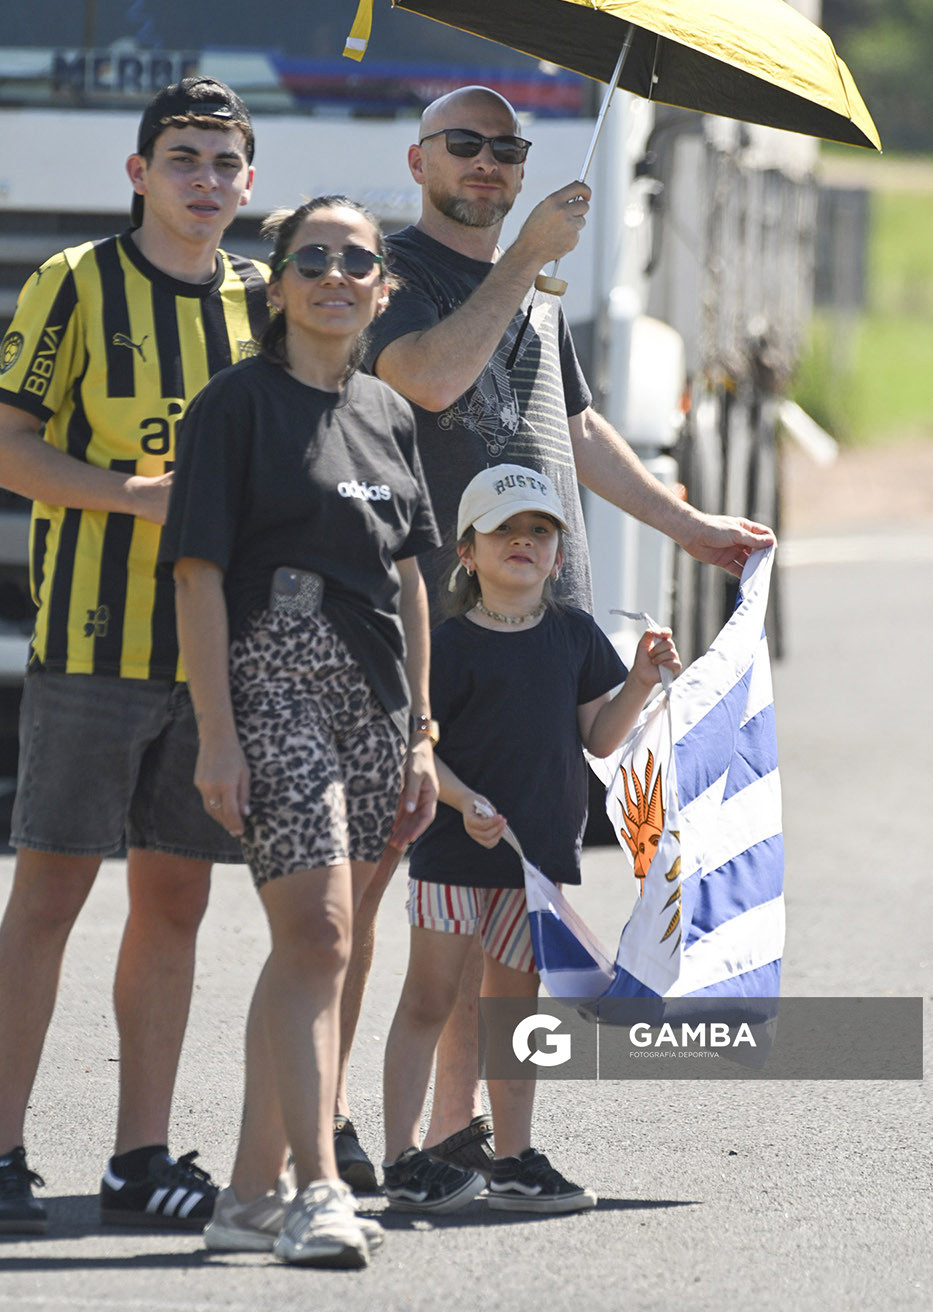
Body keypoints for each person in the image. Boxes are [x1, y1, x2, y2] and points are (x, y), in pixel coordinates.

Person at [338, 83, 775, 1180]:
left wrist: (689, 528)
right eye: (465, 144)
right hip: (423, 631)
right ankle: (330, 1123)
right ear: (419, 159)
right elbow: (430, 379)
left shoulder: (534, 295)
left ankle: (460, 1137)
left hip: (531, 635)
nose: (488, 162)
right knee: (373, 886)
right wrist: (525, 258)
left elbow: (573, 426)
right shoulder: (389, 274)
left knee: (500, 912)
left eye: (507, 147)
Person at [0, 77, 269, 1236]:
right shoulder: (73, 281)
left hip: (214, 661)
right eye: (183, 158)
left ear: (250, 182)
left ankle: (138, 1158)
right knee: (49, 894)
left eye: (224, 162)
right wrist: (134, 496)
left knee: (176, 899)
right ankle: (2, 1150)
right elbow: (8, 446)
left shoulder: (266, 299)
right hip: (91, 642)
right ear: (139, 173)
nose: (205, 180)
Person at [162, 196, 441, 1268]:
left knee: (315, 947)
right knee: (321, 935)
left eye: (356, 261)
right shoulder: (232, 406)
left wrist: (420, 732)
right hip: (268, 678)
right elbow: (195, 575)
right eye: (311, 258)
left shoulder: (388, 413)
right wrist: (216, 734)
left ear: (382, 288)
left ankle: (246, 1197)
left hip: (373, 698)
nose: (334, 274)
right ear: (275, 285)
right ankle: (318, 1186)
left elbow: (410, 579)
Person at [381, 465, 681, 1212]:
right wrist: (462, 800)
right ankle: (402, 1158)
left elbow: (601, 740)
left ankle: (513, 1160)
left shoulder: (574, 636)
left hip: (536, 867)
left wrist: (641, 681)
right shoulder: (445, 646)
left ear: (558, 554)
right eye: (503, 530)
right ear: (466, 552)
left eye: (539, 530)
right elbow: (419, 749)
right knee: (428, 999)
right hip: (452, 858)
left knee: (514, 1013)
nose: (523, 541)